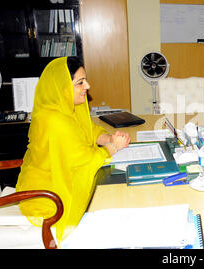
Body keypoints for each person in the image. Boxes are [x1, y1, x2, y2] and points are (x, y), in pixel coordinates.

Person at [16, 57, 130, 246]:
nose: (87, 85)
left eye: (85, 80)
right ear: (62, 87)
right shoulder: (54, 120)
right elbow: (84, 162)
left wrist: (108, 139)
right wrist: (114, 147)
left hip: (55, 179)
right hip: (50, 193)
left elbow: (90, 130)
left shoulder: (67, 108)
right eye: (80, 83)